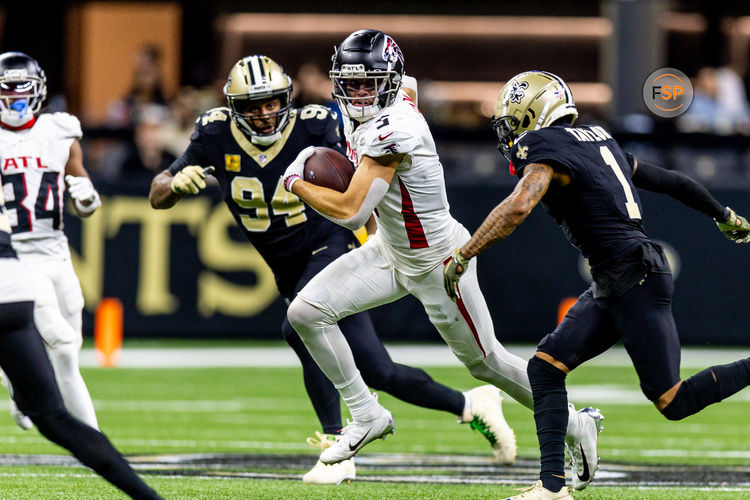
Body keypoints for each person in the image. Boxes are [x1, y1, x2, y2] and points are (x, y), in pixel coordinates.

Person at [149, 54, 513, 485]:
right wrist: (174, 185)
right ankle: (472, 406)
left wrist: (379, 240)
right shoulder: (214, 132)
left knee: (296, 323)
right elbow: (157, 193)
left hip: (330, 244)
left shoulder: (317, 123)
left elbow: (365, 186)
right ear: (233, 108)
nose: (265, 114)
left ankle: (338, 444)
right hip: (284, 264)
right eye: (252, 106)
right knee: (379, 370)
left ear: (288, 97)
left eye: (272, 102)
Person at [282, 30, 601, 484]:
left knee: (486, 361)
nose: (358, 93)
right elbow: (407, 83)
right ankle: (366, 413)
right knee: (307, 312)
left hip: (438, 260)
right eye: (351, 83)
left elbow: (353, 210)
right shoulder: (394, 94)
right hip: (391, 252)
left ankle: (575, 422)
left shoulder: (395, 129)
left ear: (386, 83)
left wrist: (296, 182)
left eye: (368, 83)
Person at [443, 70, 750, 500]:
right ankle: (552, 488)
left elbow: (518, 207)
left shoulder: (546, 145)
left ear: (538, 112)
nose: (510, 131)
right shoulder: (599, 138)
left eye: (515, 119)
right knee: (545, 367)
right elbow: (673, 182)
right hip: (618, 276)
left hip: (633, 275)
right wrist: (724, 214)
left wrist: (463, 253)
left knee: (673, 400)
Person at [0, 146, 161, 500]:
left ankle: (14, 383)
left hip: (29, 266)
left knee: (63, 351)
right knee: (55, 416)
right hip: (13, 282)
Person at [0, 52, 100, 432]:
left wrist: (88, 199)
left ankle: (15, 383)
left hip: (57, 254)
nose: (13, 99)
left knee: (70, 348)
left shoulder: (59, 130)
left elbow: (80, 187)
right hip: (16, 258)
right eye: (5, 91)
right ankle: (96, 442)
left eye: (19, 90)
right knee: (59, 346)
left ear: (38, 90)